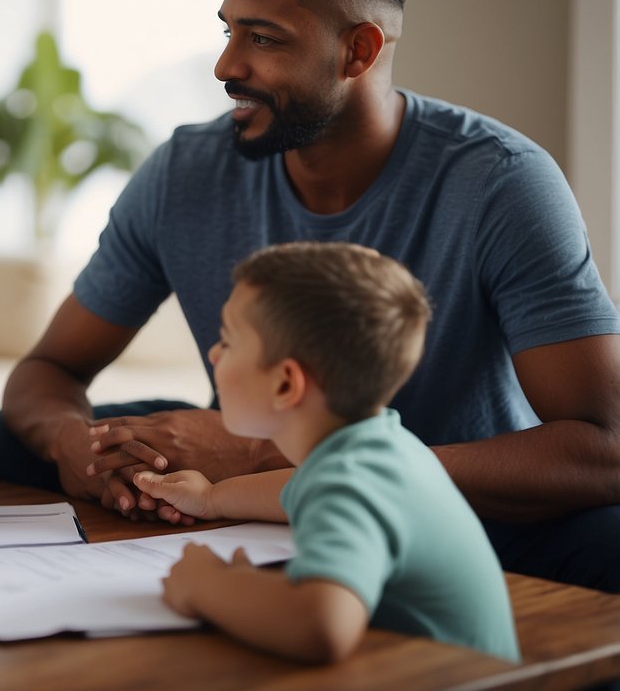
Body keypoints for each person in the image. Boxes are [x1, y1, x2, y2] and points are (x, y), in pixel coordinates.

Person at [0, 0, 620, 593]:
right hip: (247, 499)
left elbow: (600, 448)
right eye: (227, 32)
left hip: (465, 513)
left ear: (359, 51)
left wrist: (272, 451)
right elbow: (48, 369)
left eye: (262, 39)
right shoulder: (183, 172)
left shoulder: (498, 182)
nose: (226, 64)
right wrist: (71, 444)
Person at [134, 241, 519, 663]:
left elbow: (322, 625)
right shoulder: (378, 449)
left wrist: (205, 585)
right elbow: (299, 487)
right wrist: (210, 498)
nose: (213, 353)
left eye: (228, 342)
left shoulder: (350, 480)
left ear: (286, 384)